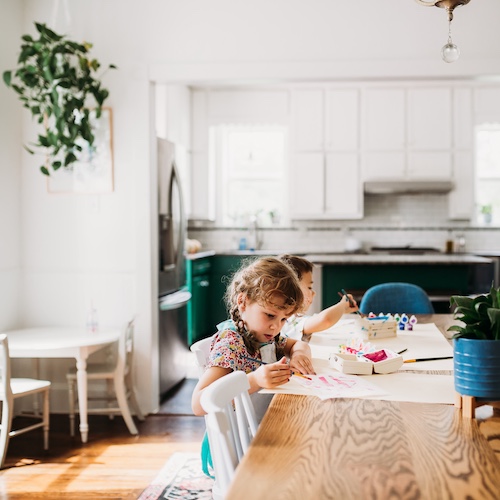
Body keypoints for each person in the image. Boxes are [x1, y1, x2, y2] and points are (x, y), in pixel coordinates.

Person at [191, 256, 315, 419]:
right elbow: (198, 404)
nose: (276, 326)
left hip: (265, 423)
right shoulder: (231, 344)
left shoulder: (266, 336)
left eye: (283, 319)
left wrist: (298, 355)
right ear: (242, 301)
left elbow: (299, 345)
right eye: (270, 315)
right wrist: (255, 380)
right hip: (241, 439)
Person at [278, 254, 359, 340]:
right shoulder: (288, 320)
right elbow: (325, 320)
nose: (313, 293)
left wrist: (342, 310)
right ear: (292, 289)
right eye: (309, 287)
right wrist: (342, 305)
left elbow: (318, 318)